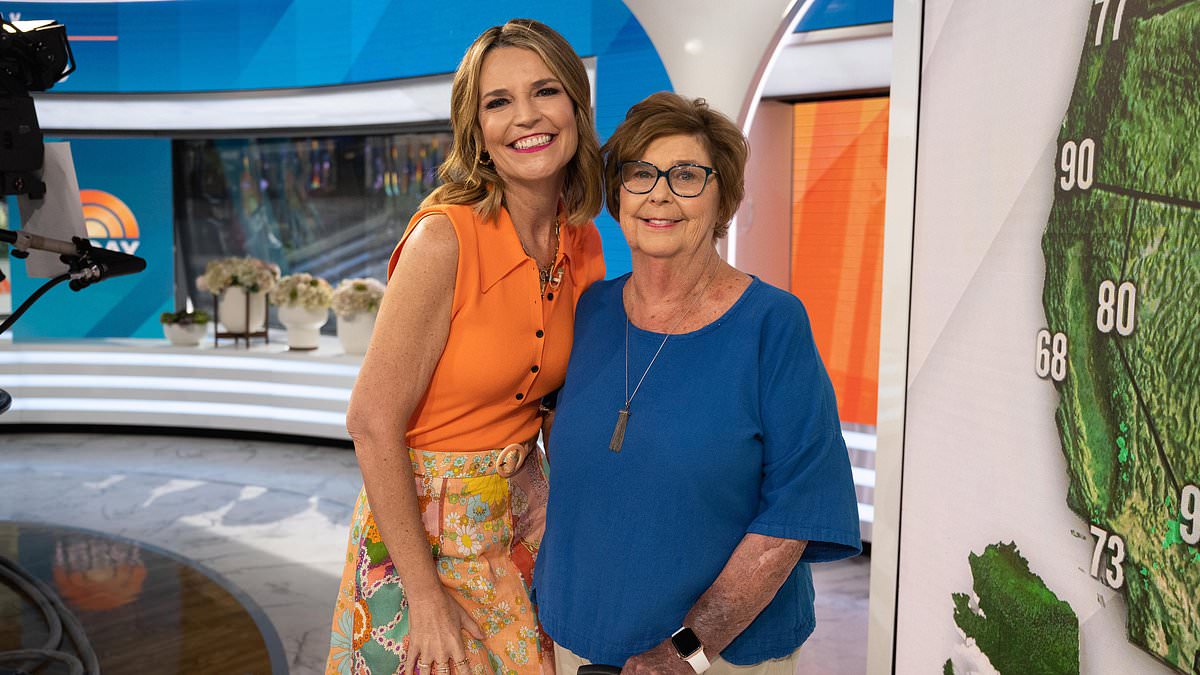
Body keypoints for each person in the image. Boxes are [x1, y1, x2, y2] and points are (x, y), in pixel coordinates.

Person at [533, 92, 862, 675]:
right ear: (618, 194)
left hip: (718, 657)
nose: (659, 194)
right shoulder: (590, 311)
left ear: (723, 198)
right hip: (577, 636)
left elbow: (792, 518)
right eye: (640, 173)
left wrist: (686, 650)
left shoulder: (772, 325)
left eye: (686, 175)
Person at [326, 19, 605, 675]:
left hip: (522, 521)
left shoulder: (582, 239)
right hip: (420, 537)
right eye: (498, 101)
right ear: (476, 130)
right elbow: (371, 422)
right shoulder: (443, 239)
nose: (526, 116)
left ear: (576, 105)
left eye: (545, 91)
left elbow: (558, 404)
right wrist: (423, 597)